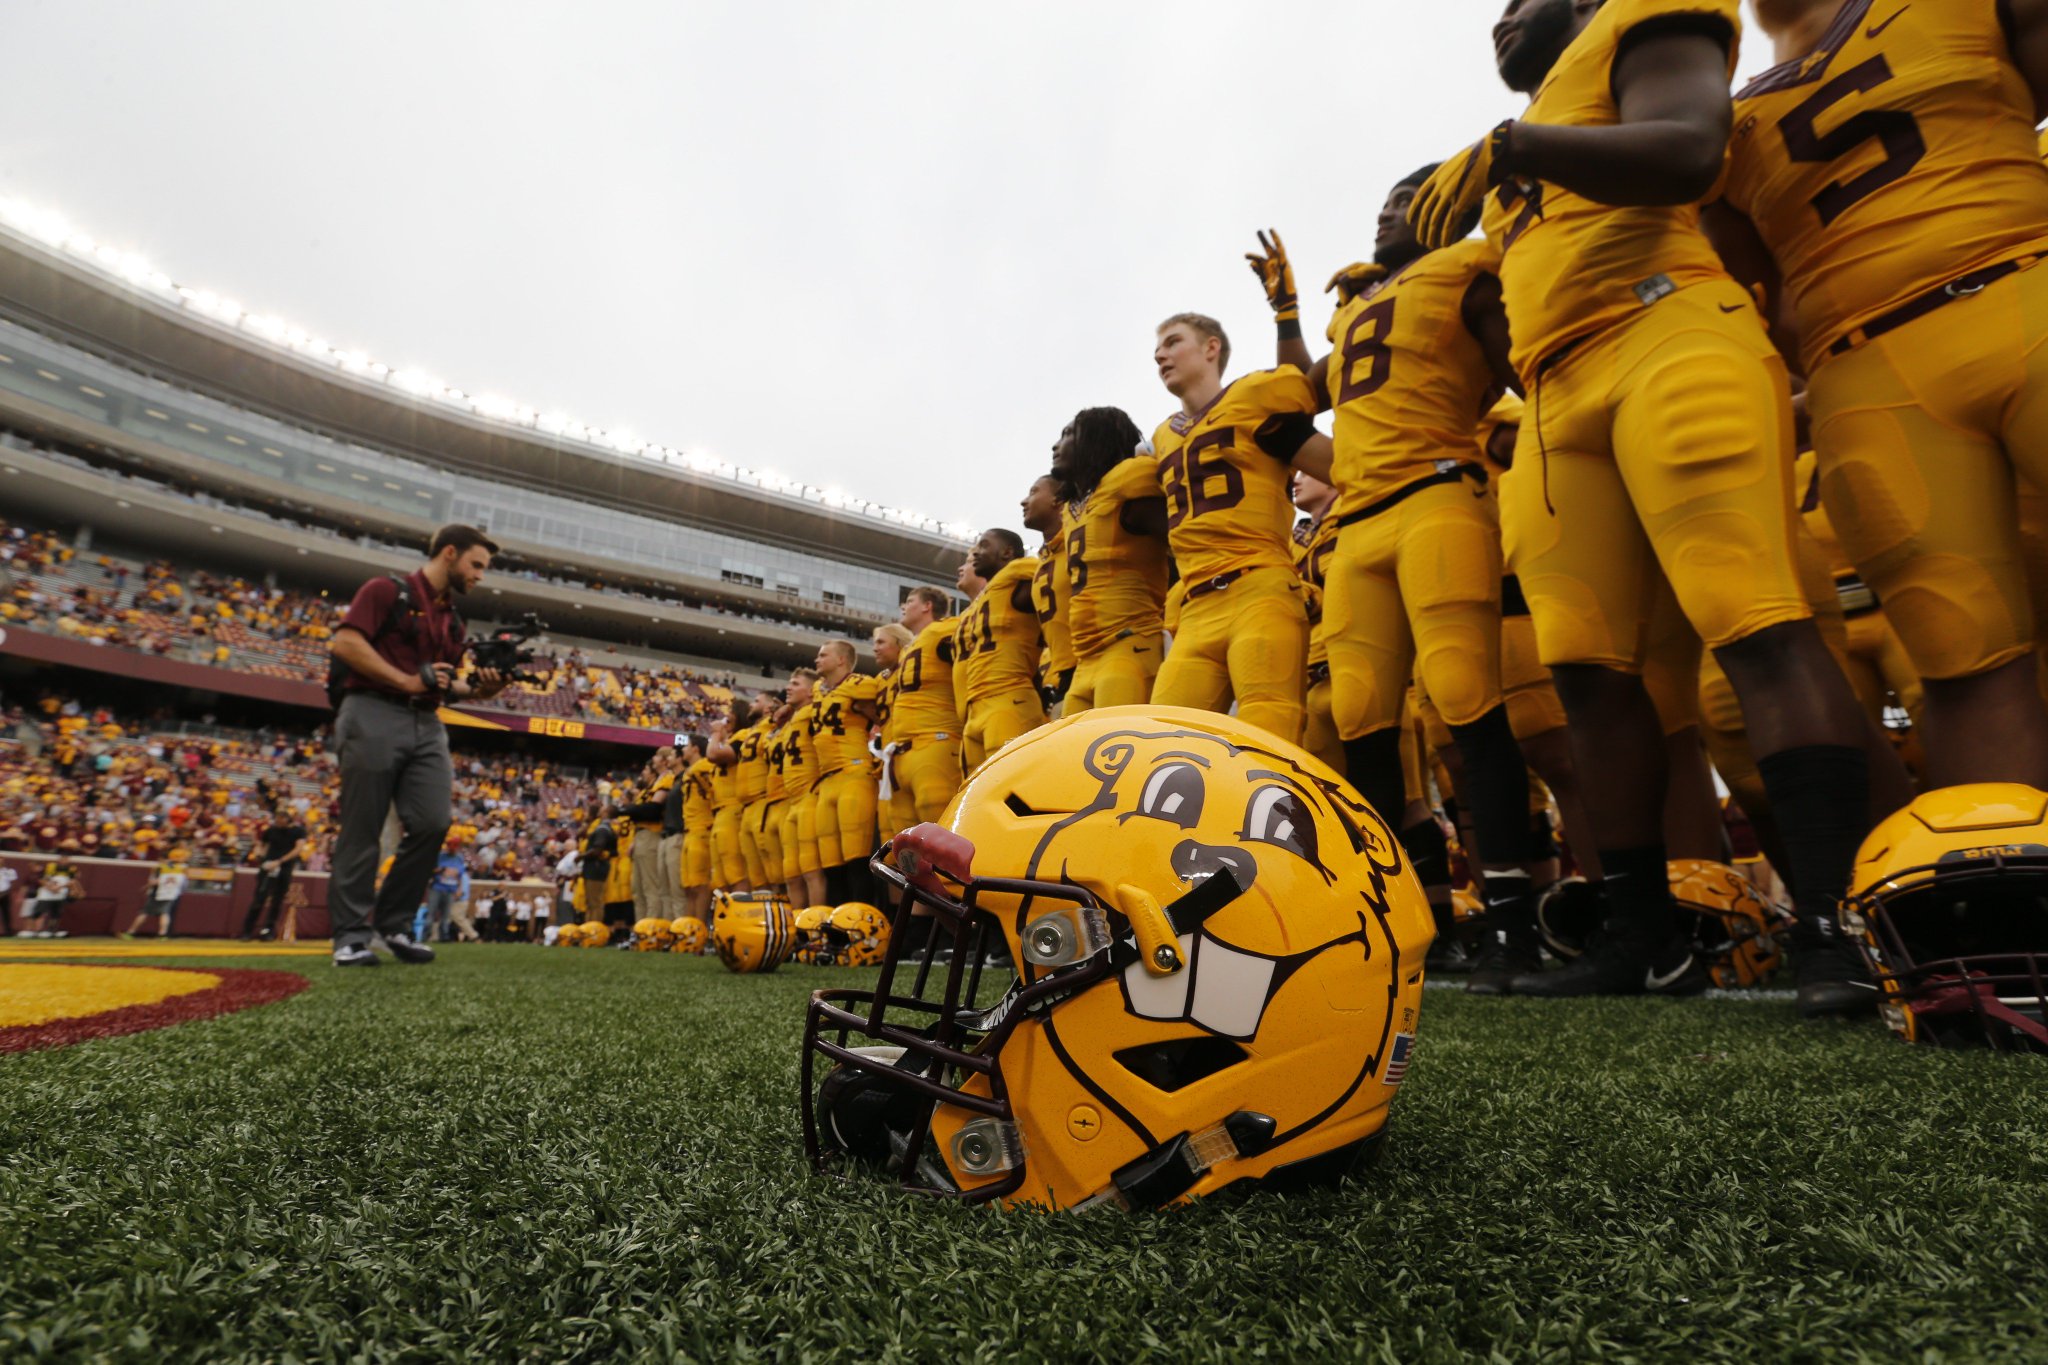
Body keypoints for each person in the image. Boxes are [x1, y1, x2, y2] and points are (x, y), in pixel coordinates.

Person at [1407, 0, 1871, 1008]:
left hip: (1664, 327)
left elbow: (1689, 153)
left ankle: (1834, 927)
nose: (1502, 17)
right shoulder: (1530, 138)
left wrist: (1510, 143)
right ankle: (1639, 933)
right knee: (1585, 672)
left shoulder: (1637, 20)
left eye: (1522, 1)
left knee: (1751, 623)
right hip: (1552, 389)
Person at [1705, 0, 2048, 793]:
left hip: (1996, 296)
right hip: (1875, 369)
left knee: (1973, 669)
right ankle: (2008, 898)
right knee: (1964, 659)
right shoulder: (1719, 129)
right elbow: (1771, 301)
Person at [1251, 181, 1544, 992]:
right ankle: (1399, 913)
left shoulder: (1464, 270)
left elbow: (1522, 364)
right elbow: (1300, 393)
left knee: (1462, 694)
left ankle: (1514, 917)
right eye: (1380, 204)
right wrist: (1288, 314)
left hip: (1439, 492)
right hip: (1363, 521)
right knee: (1360, 717)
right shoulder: (1356, 313)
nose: (1383, 214)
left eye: (1403, 201)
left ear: (1444, 211)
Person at [1146, 313, 1336, 742]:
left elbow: (1311, 393)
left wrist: (1286, 315)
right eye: (1158, 348)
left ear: (1211, 348)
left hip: (1259, 588)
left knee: (1267, 738)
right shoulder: (1161, 437)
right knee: (1159, 746)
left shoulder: (1255, 397)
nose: (1160, 355)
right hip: (1195, 608)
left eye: (1173, 342)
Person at [326, 524, 508, 967]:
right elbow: (346, 642)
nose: (481, 576)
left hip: (427, 720)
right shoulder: (386, 590)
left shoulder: (453, 618)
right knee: (363, 827)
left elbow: (449, 683)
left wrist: (482, 690)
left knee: (433, 821)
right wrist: (407, 679)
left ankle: (394, 925)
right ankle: (351, 936)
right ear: (450, 553)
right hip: (373, 709)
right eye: (476, 564)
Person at [1050, 407, 1171, 715]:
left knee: (1121, 753)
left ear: (1097, 439)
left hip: (1129, 644)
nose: (1056, 445)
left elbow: (1186, 545)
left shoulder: (1129, 484)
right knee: (1073, 759)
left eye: (1068, 434)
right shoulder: (1075, 508)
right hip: (1086, 658)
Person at [952, 529, 1046, 776]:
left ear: (1006, 552)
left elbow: (1052, 572)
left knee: (1010, 786)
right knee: (971, 796)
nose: (975, 555)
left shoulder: (1018, 572)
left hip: (1009, 696)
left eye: (983, 546)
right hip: (976, 706)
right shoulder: (986, 598)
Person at [880, 587, 965, 837]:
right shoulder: (908, 648)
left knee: (940, 836)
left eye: (909, 601)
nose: (903, 607)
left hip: (936, 740)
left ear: (927, 606)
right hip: (902, 751)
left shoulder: (947, 628)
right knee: (904, 848)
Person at [809, 640, 883, 904]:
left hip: (854, 772)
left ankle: (861, 924)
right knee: (831, 862)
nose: (817, 659)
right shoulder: (818, 689)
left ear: (841, 660)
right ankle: (836, 928)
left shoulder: (861, 684)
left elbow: (885, 715)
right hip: (827, 780)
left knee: (857, 858)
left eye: (822, 654)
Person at [1021, 475, 1076, 714]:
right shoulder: (1039, 562)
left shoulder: (1082, 538)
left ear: (1058, 499)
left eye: (1034, 492)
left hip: (1101, 658)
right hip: (1065, 673)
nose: (1024, 501)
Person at [240, 806, 306, 940]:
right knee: (259, 898)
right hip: (269, 867)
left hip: (284, 868)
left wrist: (280, 861)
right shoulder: (271, 831)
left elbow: (298, 849)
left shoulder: (298, 831)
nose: (278, 821)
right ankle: (247, 930)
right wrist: (261, 856)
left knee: (277, 901)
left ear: (288, 819)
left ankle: (268, 931)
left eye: (281, 819)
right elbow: (263, 846)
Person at [420, 841, 470, 943]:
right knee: (431, 913)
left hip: (451, 889)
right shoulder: (440, 856)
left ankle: (444, 936)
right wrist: (442, 869)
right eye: (451, 848)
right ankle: (425, 936)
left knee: (446, 915)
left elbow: (459, 876)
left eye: (454, 848)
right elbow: (431, 870)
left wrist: (459, 889)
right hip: (437, 888)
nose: (452, 850)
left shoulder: (459, 858)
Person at [124, 860, 185, 939]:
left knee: (144, 913)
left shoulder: (159, 869)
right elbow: (182, 884)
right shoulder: (179, 871)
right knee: (164, 913)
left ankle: (131, 932)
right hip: (170, 894)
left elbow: (154, 882)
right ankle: (162, 934)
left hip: (157, 894)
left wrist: (146, 887)